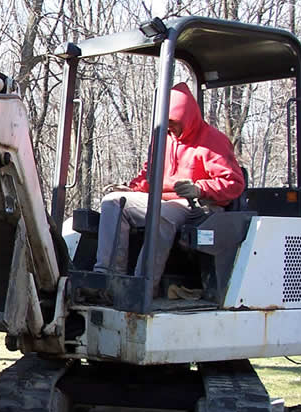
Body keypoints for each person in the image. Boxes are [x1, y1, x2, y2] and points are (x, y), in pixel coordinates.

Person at [94, 82, 245, 295]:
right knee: (114, 203)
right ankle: (107, 278)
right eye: (167, 123)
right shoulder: (163, 139)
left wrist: (199, 188)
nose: (170, 128)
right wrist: (131, 188)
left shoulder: (213, 141)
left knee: (161, 214)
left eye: (174, 122)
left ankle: (143, 286)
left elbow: (234, 183)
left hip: (198, 204)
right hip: (162, 199)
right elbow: (150, 175)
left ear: (187, 117)